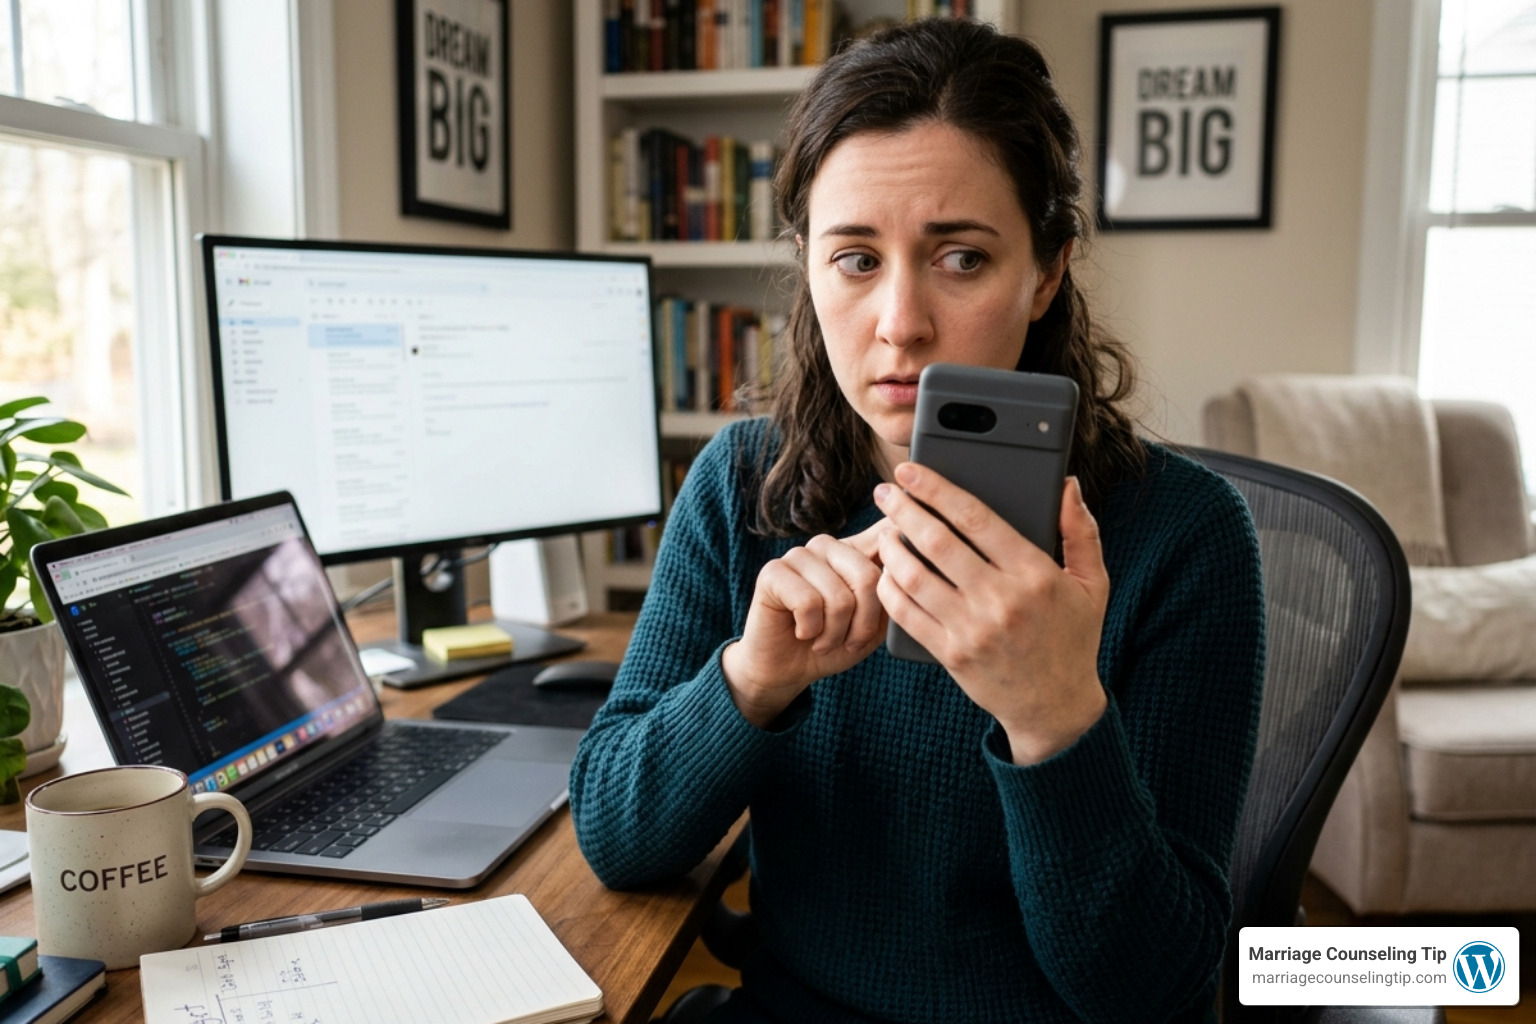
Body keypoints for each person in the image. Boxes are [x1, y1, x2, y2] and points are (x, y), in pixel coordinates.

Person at [570, 17, 1265, 1024]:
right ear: (808, 266)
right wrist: (753, 683)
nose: (900, 322)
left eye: (962, 258)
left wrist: (1053, 716)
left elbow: (1152, 991)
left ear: (1046, 271)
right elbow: (613, 831)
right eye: (856, 259)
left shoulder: (1187, 538)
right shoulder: (740, 485)